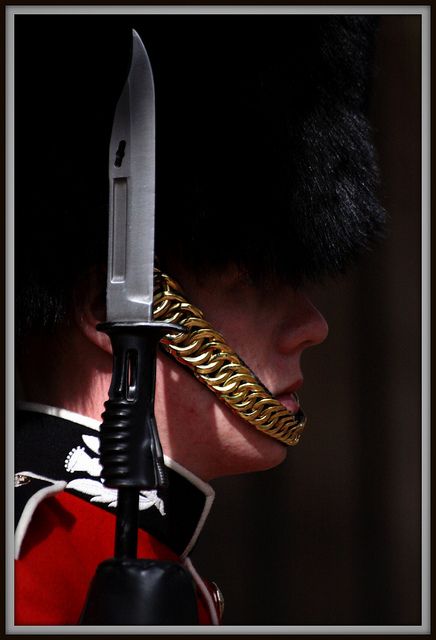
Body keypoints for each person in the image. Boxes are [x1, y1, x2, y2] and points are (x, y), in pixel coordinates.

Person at [14, 14, 385, 625]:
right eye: (254, 282)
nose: (313, 326)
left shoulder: (151, 552)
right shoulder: (36, 552)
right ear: (105, 311)